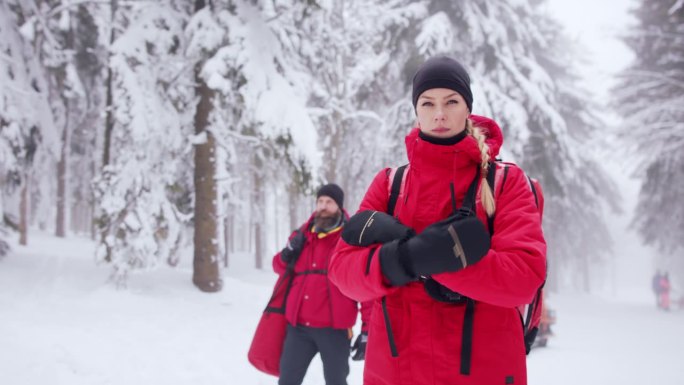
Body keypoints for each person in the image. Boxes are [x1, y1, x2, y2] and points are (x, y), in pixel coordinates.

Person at [328, 56, 546, 385]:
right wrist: (401, 260)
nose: (439, 114)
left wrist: (439, 261)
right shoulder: (390, 184)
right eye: (428, 103)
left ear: (467, 108)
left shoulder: (505, 182)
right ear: (417, 111)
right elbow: (342, 271)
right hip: (396, 373)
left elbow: (524, 278)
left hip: (483, 372)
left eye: (451, 101)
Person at [273, 183, 371, 385]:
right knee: (287, 381)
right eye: (320, 201)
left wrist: (367, 331)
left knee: (336, 382)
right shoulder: (302, 235)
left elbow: (365, 287)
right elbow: (278, 267)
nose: (323, 206)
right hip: (298, 328)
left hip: (334, 331)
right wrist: (287, 252)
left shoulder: (351, 238)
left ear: (339, 206)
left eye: (329, 202)